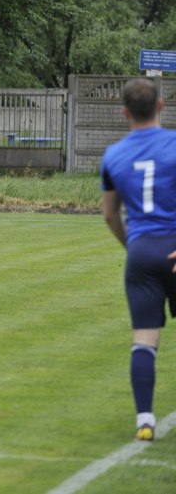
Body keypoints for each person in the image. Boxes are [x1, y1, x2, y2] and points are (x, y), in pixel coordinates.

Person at [100, 77, 176, 442]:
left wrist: (134, 247)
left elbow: (110, 215)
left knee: (144, 339)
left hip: (142, 249)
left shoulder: (113, 155)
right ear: (161, 106)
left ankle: (144, 420)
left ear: (124, 112)